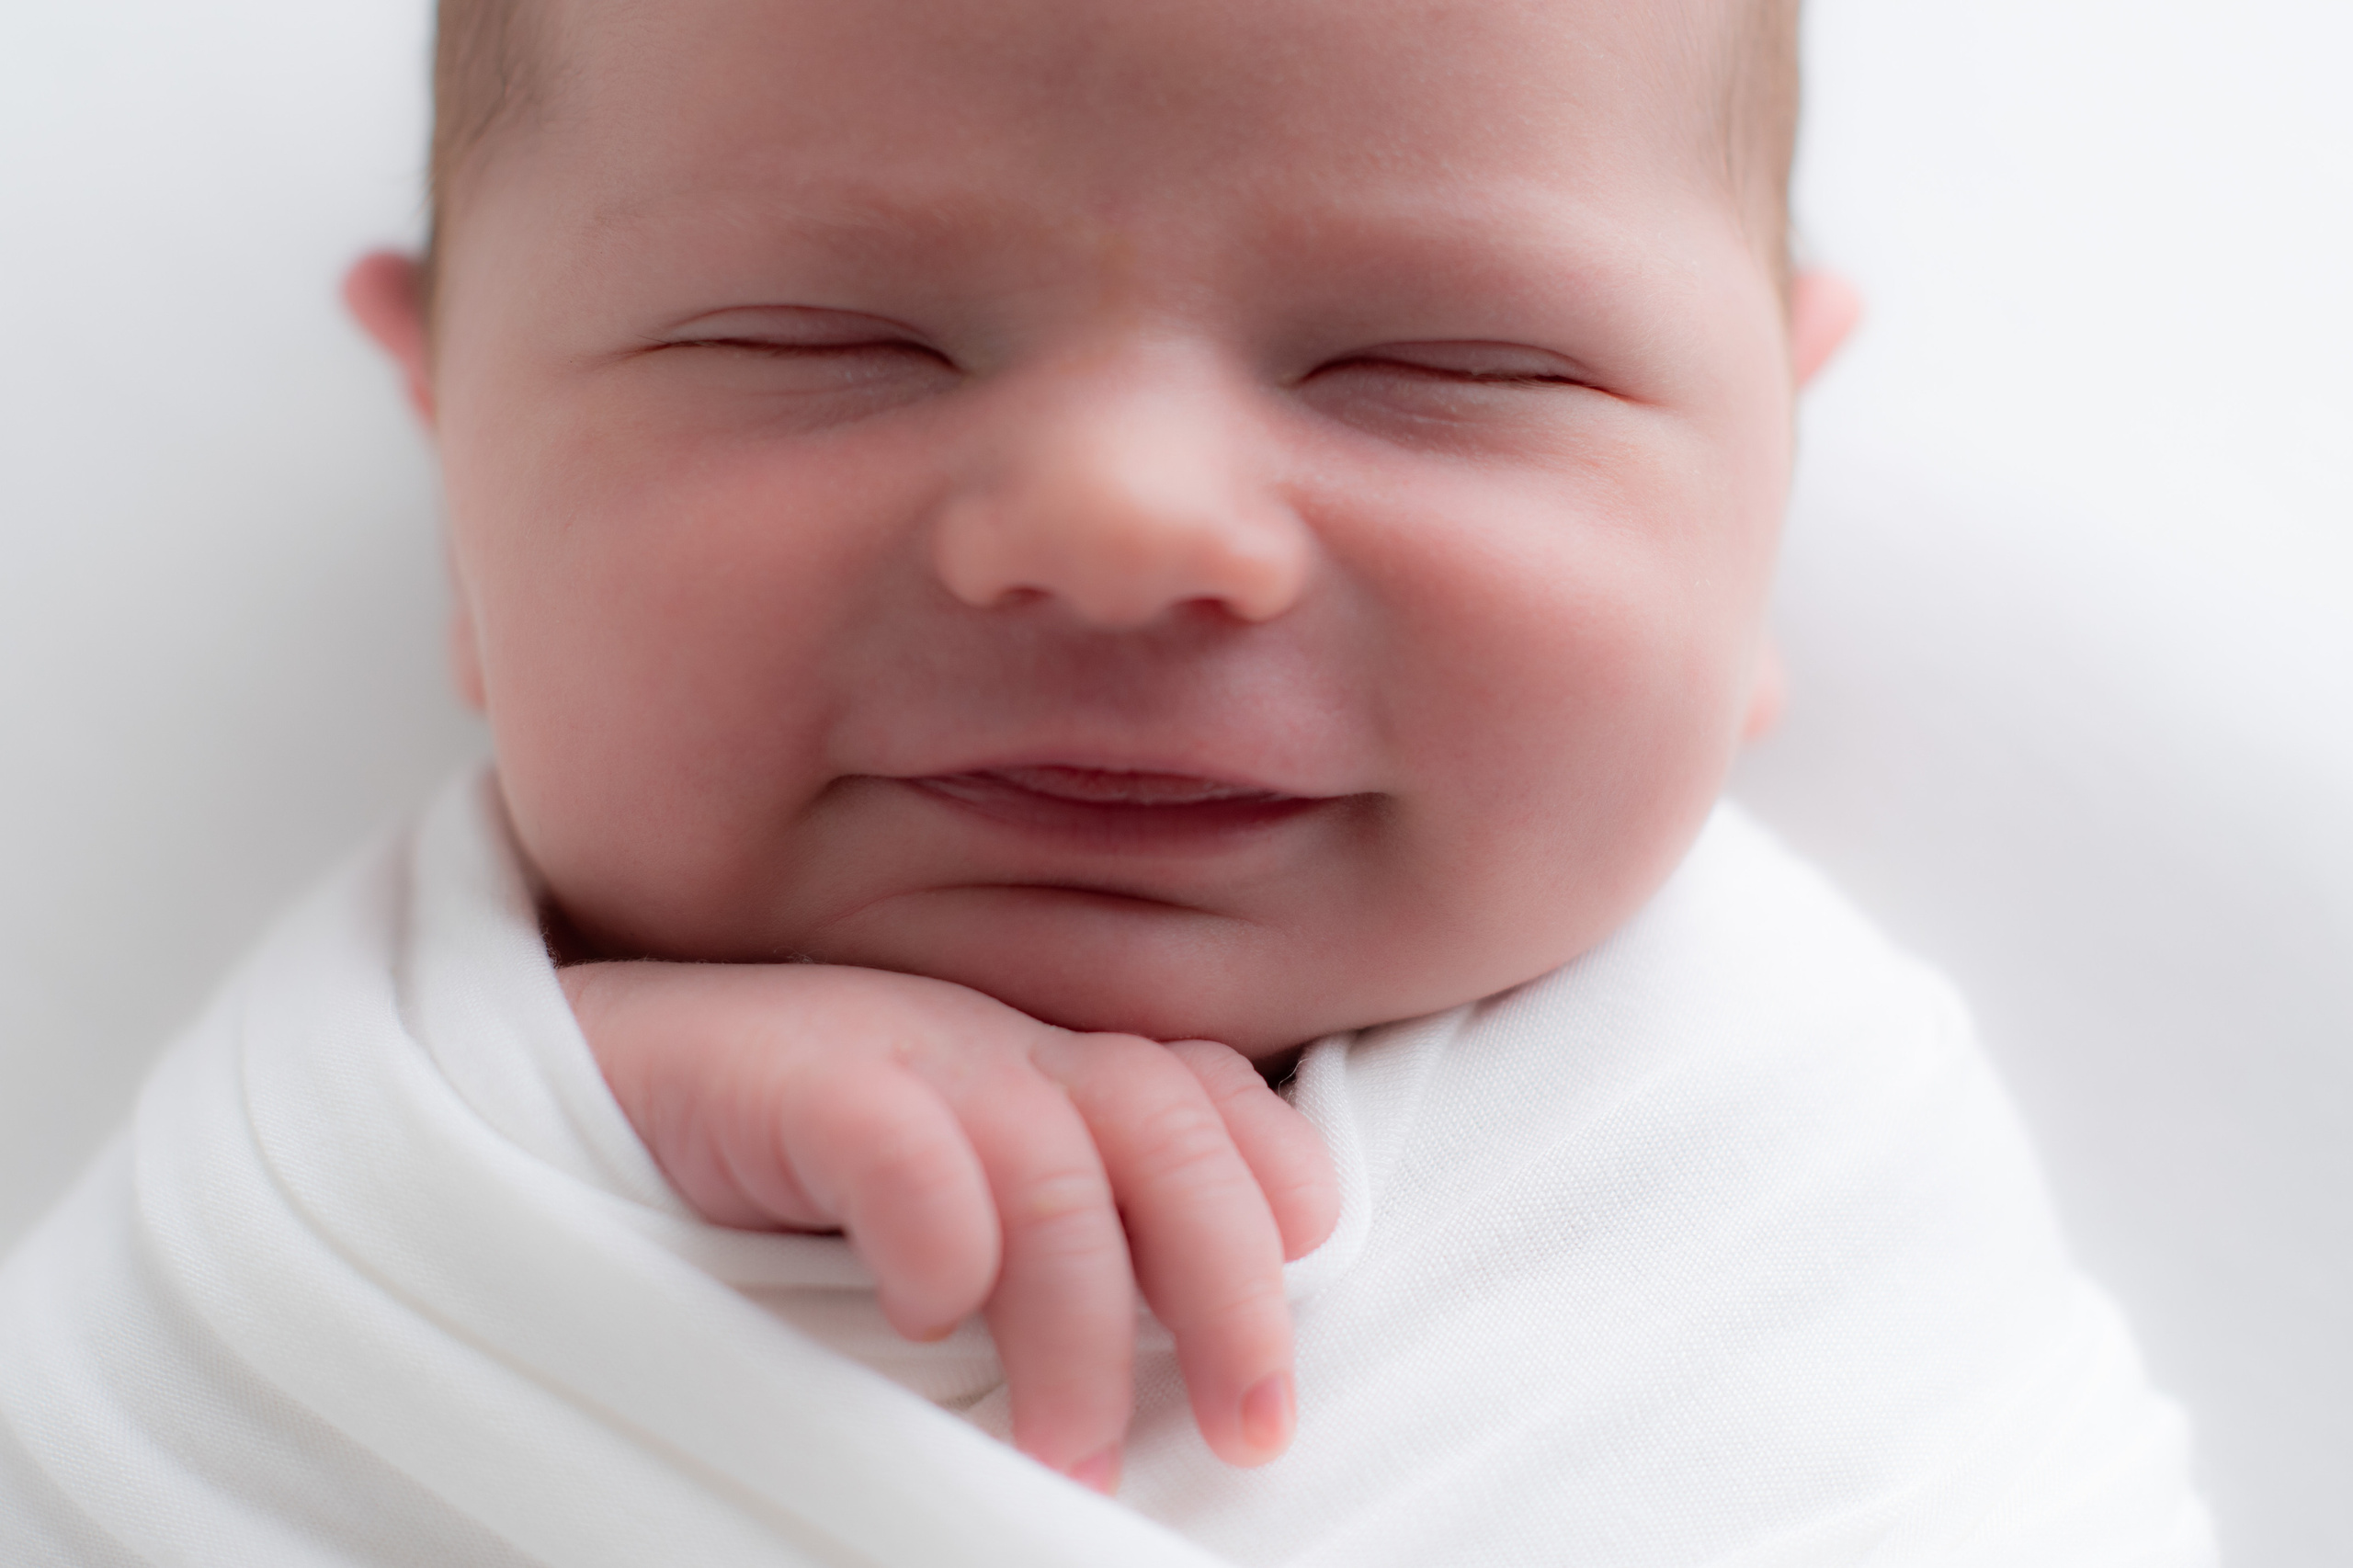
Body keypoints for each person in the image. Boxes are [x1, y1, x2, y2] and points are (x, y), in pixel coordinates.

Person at [0, 0, 2215, 1562]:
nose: (1130, 523)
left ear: (1766, 484)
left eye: (1445, 367)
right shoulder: (342, 1164)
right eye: (817, 340)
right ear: (448, 447)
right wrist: (567, 1129)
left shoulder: (1796, 1169)